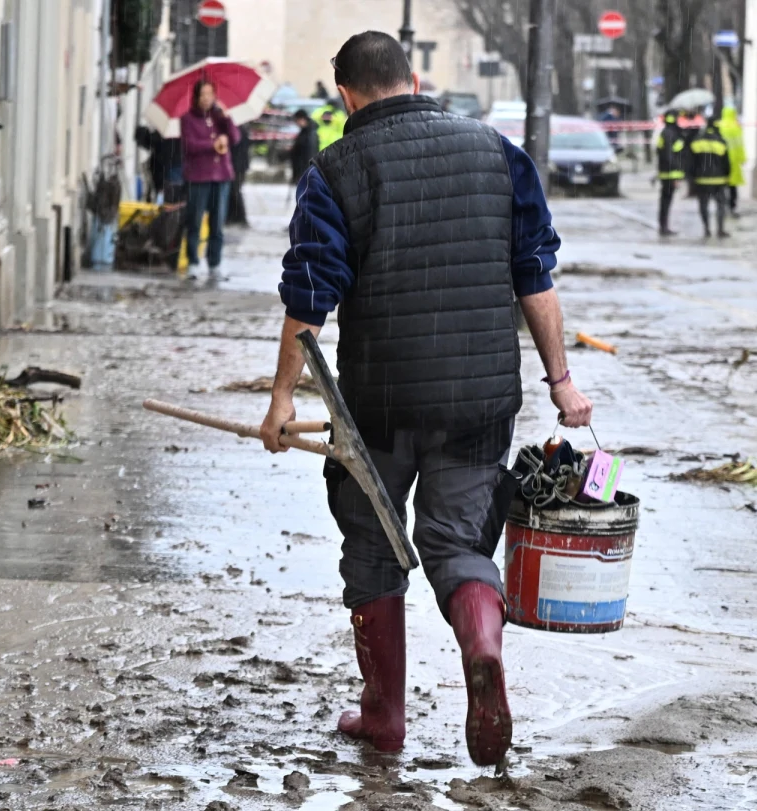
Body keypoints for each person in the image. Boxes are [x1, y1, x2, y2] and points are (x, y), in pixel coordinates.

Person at [258, 31, 592, 767]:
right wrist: (561, 381)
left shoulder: (335, 169)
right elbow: (535, 277)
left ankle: (383, 717)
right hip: (481, 398)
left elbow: (308, 300)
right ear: (412, 79)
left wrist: (282, 399)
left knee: (373, 545)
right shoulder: (498, 153)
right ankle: (480, 643)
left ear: (345, 94)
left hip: (379, 403)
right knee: (457, 540)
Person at [180, 79, 240, 277]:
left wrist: (227, 118)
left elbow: (235, 137)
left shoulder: (219, 118)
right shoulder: (188, 119)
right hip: (198, 177)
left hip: (221, 176)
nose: (206, 98)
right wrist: (212, 143)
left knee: (218, 223)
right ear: (196, 97)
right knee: (195, 221)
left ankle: (215, 262)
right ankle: (193, 262)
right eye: (202, 95)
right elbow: (190, 145)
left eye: (210, 94)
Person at [689, 118, 731, 238]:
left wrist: (692, 177)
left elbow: (691, 162)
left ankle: (706, 228)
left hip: (702, 180)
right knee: (721, 204)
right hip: (719, 180)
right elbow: (726, 163)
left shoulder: (697, 141)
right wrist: (727, 176)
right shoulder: (721, 142)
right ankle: (720, 229)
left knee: (703, 204)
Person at [655, 110, 686, 236]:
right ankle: (664, 227)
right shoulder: (671, 134)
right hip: (671, 173)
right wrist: (676, 172)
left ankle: (664, 226)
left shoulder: (665, 133)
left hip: (665, 172)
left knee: (665, 200)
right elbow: (670, 155)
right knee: (666, 201)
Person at [718, 107, 746, 215]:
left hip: (721, 160)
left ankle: (722, 205)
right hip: (734, 160)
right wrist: (742, 158)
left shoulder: (720, 125)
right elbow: (740, 144)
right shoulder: (736, 126)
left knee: (722, 184)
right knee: (733, 186)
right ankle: (732, 205)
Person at [227, 124, 251, 227]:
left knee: (235, 190)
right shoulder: (240, 128)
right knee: (234, 191)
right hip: (237, 165)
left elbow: (237, 148)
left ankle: (240, 217)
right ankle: (234, 216)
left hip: (237, 166)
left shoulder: (238, 129)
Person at [289, 108, 319, 187]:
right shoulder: (305, 131)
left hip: (305, 170)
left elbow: (310, 154)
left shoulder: (310, 134)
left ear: (302, 119)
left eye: (296, 120)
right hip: (302, 170)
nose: (296, 123)